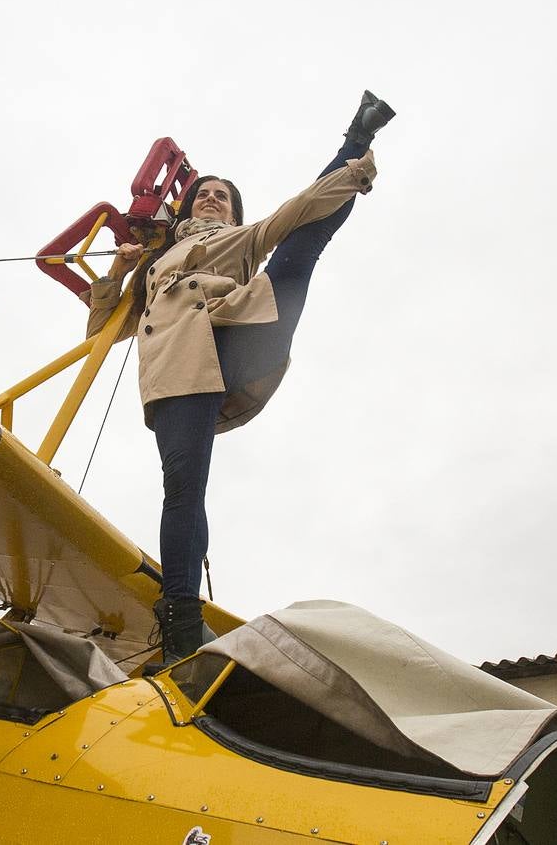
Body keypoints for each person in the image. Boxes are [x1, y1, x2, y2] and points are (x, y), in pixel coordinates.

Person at [86, 92, 395, 667]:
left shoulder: (238, 239)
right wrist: (121, 267)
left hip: (243, 324)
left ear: (232, 212)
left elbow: (299, 210)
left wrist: (355, 160)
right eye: (203, 193)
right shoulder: (153, 267)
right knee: (185, 486)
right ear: (185, 209)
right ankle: (180, 617)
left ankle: (355, 134)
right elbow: (100, 325)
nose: (211, 199)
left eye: (222, 197)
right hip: (180, 361)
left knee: (304, 238)